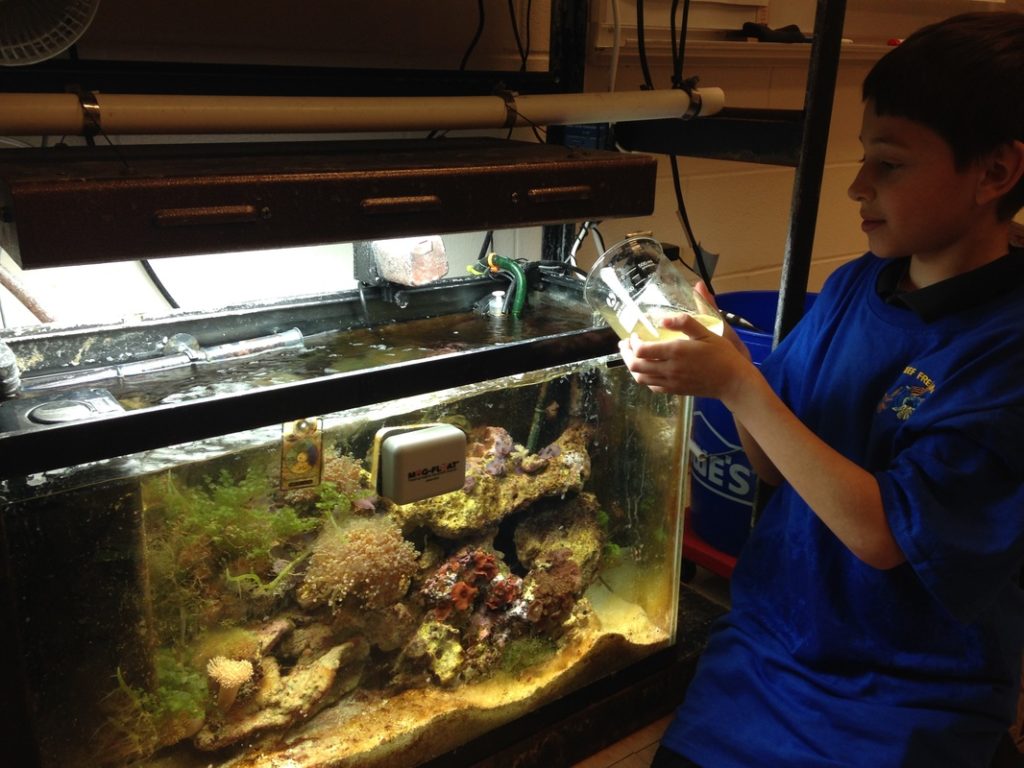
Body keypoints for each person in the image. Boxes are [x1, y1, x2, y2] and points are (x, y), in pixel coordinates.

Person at [618, 11, 1024, 767]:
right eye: (864, 157)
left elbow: (883, 536)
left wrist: (740, 386)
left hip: (910, 689)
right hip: (772, 648)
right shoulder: (851, 287)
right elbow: (773, 463)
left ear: (995, 173)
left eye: (892, 164)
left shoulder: (1004, 350)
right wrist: (726, 357)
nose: (858, 186)